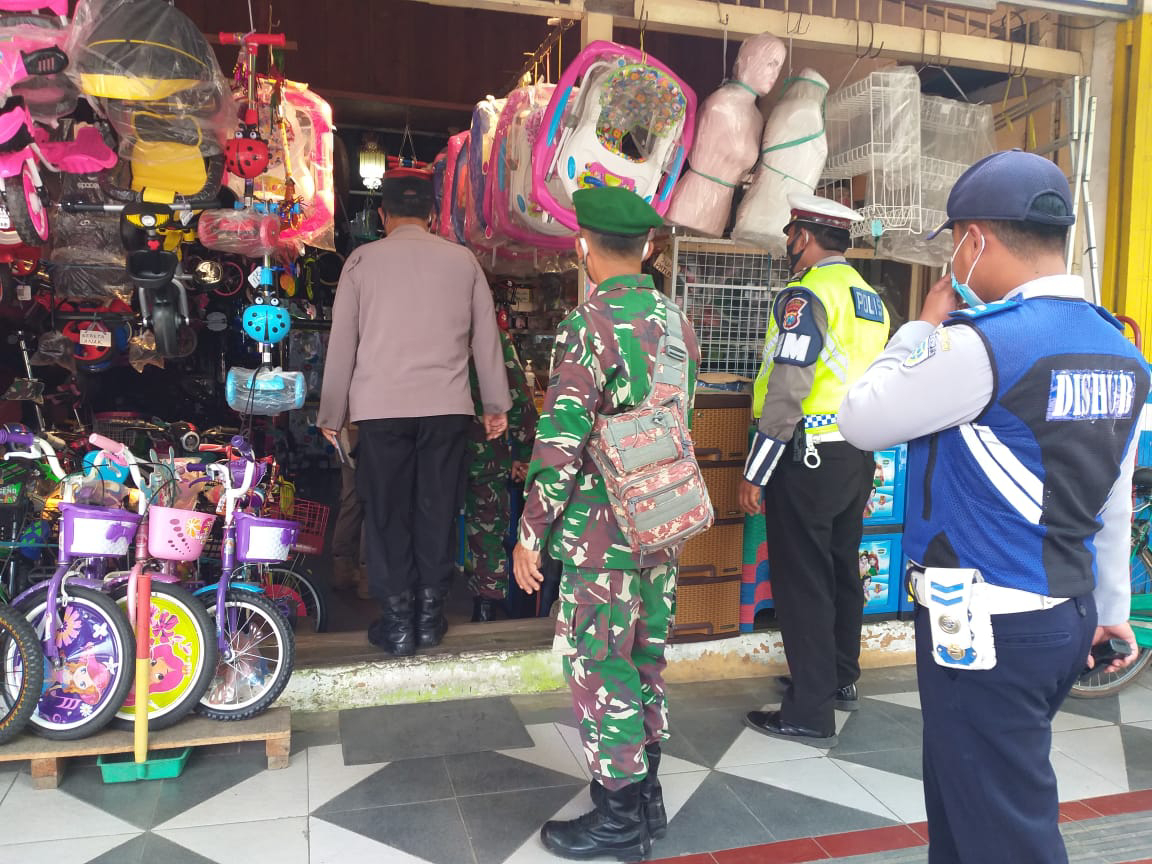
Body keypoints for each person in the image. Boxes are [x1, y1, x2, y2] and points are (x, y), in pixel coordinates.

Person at [838, 150, 1150, 863]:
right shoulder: (1122, 352)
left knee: (1005, 832)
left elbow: (861, 418)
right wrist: (1112, 607)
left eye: (955, 243)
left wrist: (921, 326)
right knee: (968, 808)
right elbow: (1113, 501)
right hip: (1064, 614)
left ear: (975, 240)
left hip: (985, 623)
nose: (953, 260)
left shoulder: (981, 345)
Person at [512, 186, 700, 862]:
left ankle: (619, 817)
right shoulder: (677, 323)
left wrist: (531, 531)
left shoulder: (588, 325)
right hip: (663, 524)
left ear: (582, 247)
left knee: (601, 665)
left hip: (603, 538)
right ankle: (646, 797)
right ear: (648, 247)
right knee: (646, 658)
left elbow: (561, 440)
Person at [318, 171, 510, 656]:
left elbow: (342, 343)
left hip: (380, 411)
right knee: (437, 510)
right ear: (433, 215)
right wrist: (495, 405)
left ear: (382, 215)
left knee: (386, 513)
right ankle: (429, 617)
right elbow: (486, 340)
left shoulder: (361, 262)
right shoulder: (463, 261)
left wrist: (331, 412)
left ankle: (398, 623)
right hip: (447, 409)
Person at [738, 194, 890, 747]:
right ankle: (837, 676)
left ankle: (808, 710)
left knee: (802, 580)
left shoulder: (806, 294)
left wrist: (757, 468)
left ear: (803, 237)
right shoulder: (869, 297)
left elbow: (789, 383)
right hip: (854, 452)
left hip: (808, 457)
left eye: (789, 234)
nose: (788, 244)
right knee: (840, 568)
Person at [465, 327, 537, 621]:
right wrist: (524, 452)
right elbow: (518, 393)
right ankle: (485, 610)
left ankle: (424, 611)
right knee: (487, 532)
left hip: (436, 452)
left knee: (429, 528)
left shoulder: (426, 328)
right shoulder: (489, 335)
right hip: (486, 450)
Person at [330, 424, 370, 600]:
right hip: (370, 431)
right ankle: (368, 579)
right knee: (373, 503)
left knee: (351, 502)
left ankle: (343, 572)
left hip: (344, 432)